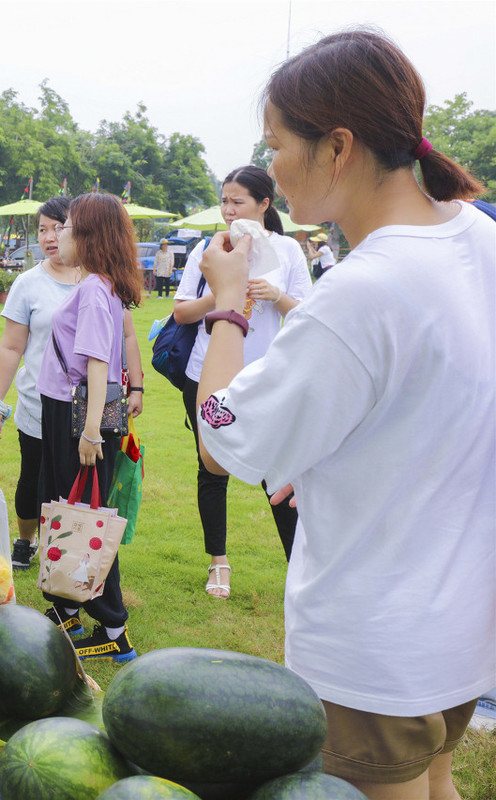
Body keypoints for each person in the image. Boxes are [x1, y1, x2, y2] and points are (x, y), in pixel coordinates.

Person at [195, 31, 493, 799]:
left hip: (373, 646)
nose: (272, 168)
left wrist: (228, 303)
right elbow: (437, 400)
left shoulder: (360, 292)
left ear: (338, 148)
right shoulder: (479, 241)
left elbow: (223, 443)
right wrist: (327, 464)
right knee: (438, 786)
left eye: (276, 146)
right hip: (460, 627)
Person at [171, 165, 311, 598]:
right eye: (224, 201)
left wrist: (277, 296)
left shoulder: (287, 250)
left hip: (268, 381)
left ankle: (300, 570)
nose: (229, 211)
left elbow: (308, 314)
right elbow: (181, 313)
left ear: (264, 204)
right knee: (212, 471)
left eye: (238, 201)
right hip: (207, 374)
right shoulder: (208, 249)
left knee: (282, 474)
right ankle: (218, 562)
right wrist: (223, 290)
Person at [37, 192, 142, 661]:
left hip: (79, 417)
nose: (59, 233)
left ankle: (114, 628)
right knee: (67, 509)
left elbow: (98, 367)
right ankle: (67, 609)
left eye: (68, 227)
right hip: (68, 411)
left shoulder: (97, 292)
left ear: (89, 236)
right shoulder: (97, 287)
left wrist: (90, 432)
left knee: (87, 520)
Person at [0, 196, 81, 572]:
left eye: (57, 227)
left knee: (72, 482)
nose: (48, 237)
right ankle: (25, 540)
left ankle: (65, 549)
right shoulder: (28, 283)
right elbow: (11, 347)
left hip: (83, 407)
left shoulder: (95, 279)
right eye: (42, 229)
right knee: (33, 478)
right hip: (36, 404)